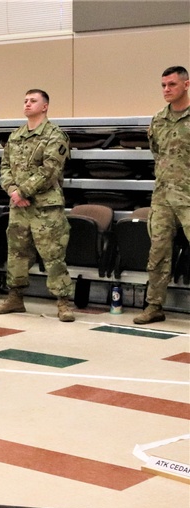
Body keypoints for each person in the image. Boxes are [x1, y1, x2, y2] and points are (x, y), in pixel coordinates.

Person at [0, 89, 75, 322]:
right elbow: (5, 166)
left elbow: (50, 170)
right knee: (16, 253)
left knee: (53, 254)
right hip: (20, 207)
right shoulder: (16, 136)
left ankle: (64, 302)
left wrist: (23, 191)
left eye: (33, 100)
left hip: (46, 207)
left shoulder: (55, 135)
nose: (27, 104)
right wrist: (12, 191)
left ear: (45, 106)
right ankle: (15, 298)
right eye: (25, 100)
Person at [135, 65, 190, 325]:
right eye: (163, 85)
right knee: (158, 252)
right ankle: (154, 305)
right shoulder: (158, 119)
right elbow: (157, 153)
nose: (166, 90)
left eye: (172, 85)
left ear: (186, 85)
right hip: (164, 197)